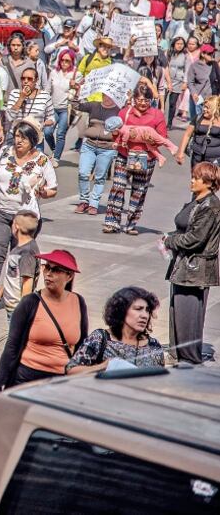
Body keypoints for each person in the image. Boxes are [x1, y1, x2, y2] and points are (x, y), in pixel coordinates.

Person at [0, 119, 57, 309]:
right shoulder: (4, 152)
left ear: (33, 141)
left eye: (24, 138)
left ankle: (9, 295)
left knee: (19, 257)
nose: (18, 141)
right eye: (17, 136)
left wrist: (42, 191)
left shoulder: (42, 161)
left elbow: (53, 189)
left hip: (26, 218)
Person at [0, 249, 88, 397]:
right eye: (47, 267)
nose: (48, 273)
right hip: (26, 378)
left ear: (69, 275)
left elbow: (83, 346)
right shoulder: (30, 303)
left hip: (61, 382)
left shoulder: (78, 302)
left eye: (56, 270)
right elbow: (12, 346)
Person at [162, 161, 220, 364]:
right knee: (177, 311)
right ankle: (178, 352)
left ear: (208, 182)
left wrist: (170, 241)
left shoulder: (210, 206)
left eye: (196, 178)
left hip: (196, 268)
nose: (192, 181)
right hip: (184, 264)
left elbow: (195, 239)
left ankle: (188, 356)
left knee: (188, 313)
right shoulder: (197, 201)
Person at [103, 84, 167, 235]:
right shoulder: (124, 112)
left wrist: (149, 139)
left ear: (151, 100)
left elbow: (162, 138)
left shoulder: (157, 115)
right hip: (124, 155)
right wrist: (115, 133)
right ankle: (112, 222)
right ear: (133, 100)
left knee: (139, 190)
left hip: (146, 158)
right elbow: (116, 134)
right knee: (118, 186)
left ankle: (131, 224)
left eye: (146, 100)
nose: (143, 103)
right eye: (139, 99)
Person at [66, 287, 165, 373]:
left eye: (147, 310)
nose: (144, 315)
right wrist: (103, 366)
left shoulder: (153, 345)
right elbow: (72, 370)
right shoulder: (100, 338)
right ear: (122, 310)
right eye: (138, 309)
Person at [0, 210, 40, 315]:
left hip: (18, 307)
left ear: (16, 227)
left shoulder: (27, 253)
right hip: (12, 305)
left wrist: (24, 310)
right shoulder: (19, 249)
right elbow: (12, 274)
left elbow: (27, 282)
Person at [73, 93, 120, 215]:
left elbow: (126, 126)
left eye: (111, 96)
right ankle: (84, 200)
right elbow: (76, 106)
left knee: (100, 177)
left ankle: (94, 203)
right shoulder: (94, 106)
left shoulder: (119, 110)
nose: (107, 98)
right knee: (83, 173)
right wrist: (76, 93)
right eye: (105, 95)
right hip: (89, 144)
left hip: (107, 148)